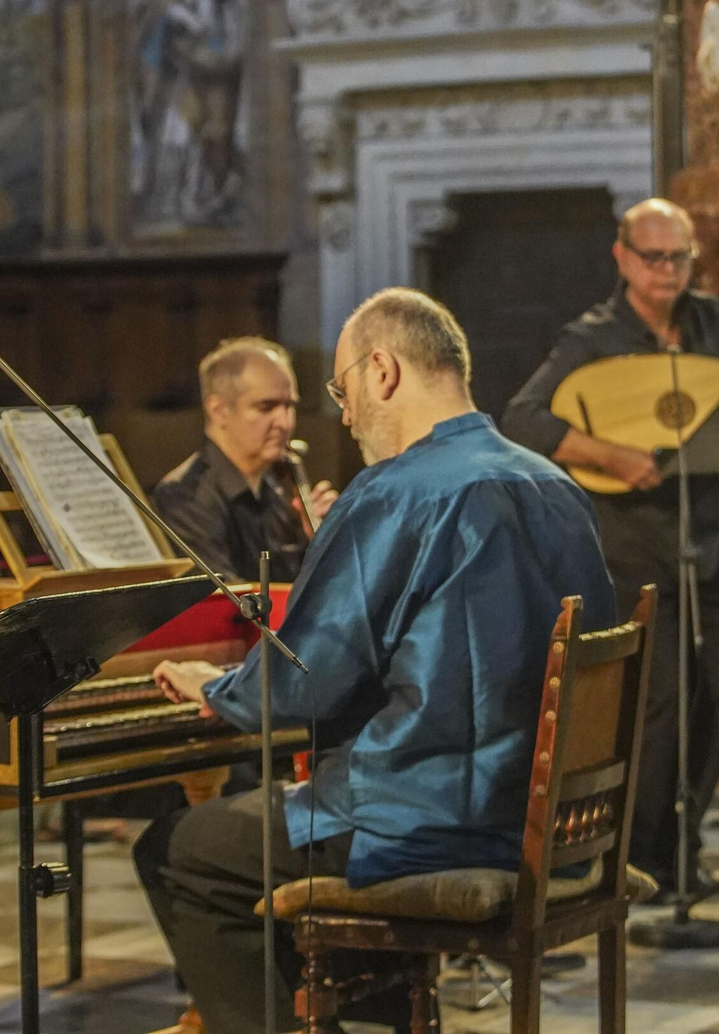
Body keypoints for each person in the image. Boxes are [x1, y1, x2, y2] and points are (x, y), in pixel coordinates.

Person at [134, 288, 617, 1034]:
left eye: (343, 389)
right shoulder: (557, 485)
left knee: (177, 849)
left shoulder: (395, 493)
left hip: (429, 820)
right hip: (554, 822)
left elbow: (303, 682)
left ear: (383, 370)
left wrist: (219, 686)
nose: (346, 413)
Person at [502, 198, 719, 902]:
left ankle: (683, 848)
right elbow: (522, 417)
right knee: (656, 702)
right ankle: (637, 858)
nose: (669, 271)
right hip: (631, 545)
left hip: (705, 537)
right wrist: (610, 453)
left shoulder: (713, 325)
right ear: (623, 257)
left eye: (681, 258)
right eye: (655, 257)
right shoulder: (592, 338)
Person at [154, 337, 335, 583]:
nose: (284, 423)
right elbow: (226, 603)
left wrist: (318, 543)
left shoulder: (279, 487)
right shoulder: (184, 497)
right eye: (266, 407)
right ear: (218, 410)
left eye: (289, 405)